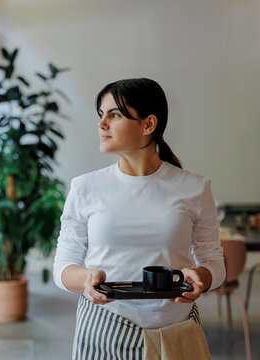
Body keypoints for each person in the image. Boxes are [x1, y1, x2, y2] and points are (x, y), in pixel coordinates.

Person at [53, 78, 225, 359]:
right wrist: (85, 279)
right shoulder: (84, 187)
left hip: (176, 333)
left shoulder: (195, 188)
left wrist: (201, 278)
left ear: (148, 124)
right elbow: (62, 266)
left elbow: (214, 264)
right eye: (101, 115)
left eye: (115, 114)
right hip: (103, 330)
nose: (102, 124)